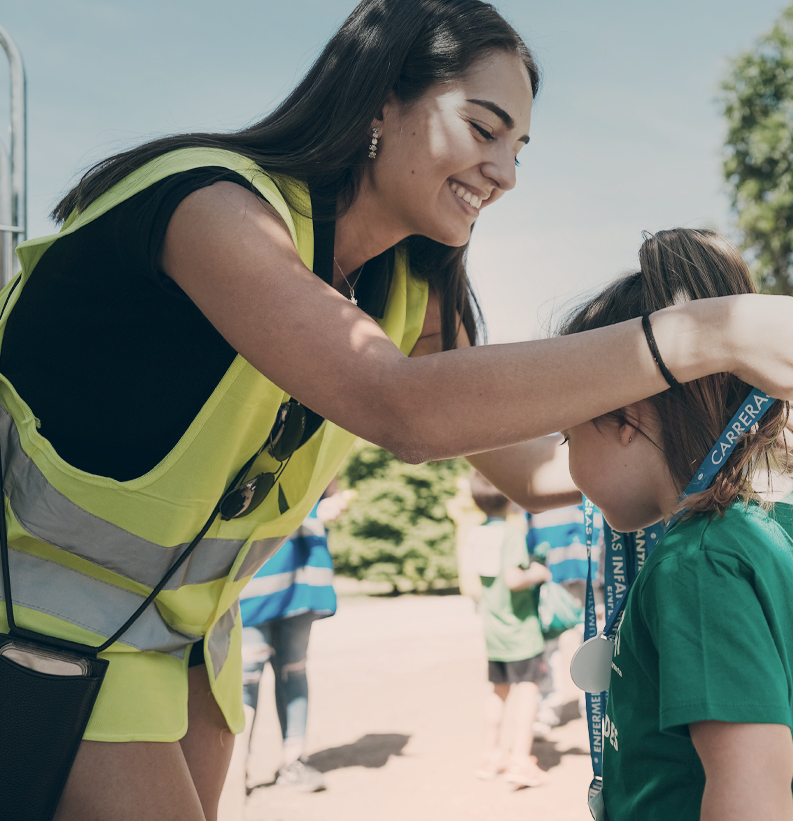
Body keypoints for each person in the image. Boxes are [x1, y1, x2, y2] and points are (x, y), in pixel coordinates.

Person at [1, 1, 792, 818]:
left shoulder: (411, 289)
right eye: (483, 129)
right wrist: (706, 333)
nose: (505, 172)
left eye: (518, 148)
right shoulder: (211, 206)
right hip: (48, 621)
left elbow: (537, 471)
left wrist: (710, 438)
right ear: (381, 98)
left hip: (182, 647)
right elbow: (397, 407)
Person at [559, 228, 793, 821]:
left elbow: (752, 796)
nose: (566, 459)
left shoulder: (697, 563)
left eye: (566, 432)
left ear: (623, 418)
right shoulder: (764, 529)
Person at [240, 488, 345, 793]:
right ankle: (236, 767)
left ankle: (293, 760)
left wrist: (328, 503)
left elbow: (329, 487)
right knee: (247, 676)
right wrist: (314, 511)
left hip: (302, 577)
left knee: (294, 669)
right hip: (252, 578)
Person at [468, 470, 551, 788]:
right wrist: (539, 573)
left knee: (498, 692)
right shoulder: (512, 534)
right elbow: (514, 579)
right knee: (529, 691)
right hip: (520, 630)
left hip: (494, 630)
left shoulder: (475, 535)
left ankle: (490, 755)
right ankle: (520, 760)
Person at [526, 501, 603, 734]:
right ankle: (548, 706)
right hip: (552, 571)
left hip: (590, 568)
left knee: (594, 638)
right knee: (549, 641)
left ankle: (595, 707)